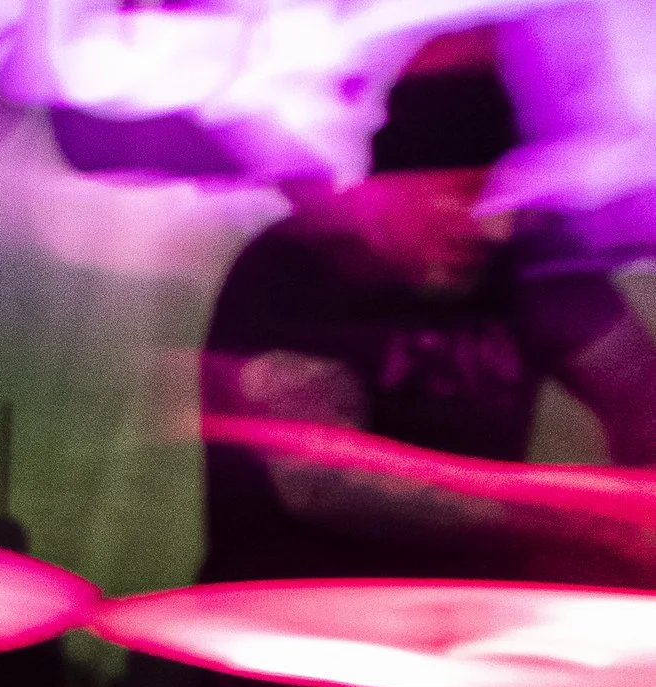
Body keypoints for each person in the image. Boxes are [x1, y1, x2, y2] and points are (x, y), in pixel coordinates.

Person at [200, 54, 656, 587]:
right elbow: (325, 485)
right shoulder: (290, 267)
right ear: (394, 180)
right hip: (287, 625)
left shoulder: (530, 266)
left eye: (508, 203)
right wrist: (581, 518)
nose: (493, 228)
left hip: (480, 627)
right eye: (465, 194)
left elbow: (643, 395)